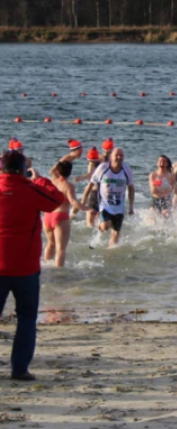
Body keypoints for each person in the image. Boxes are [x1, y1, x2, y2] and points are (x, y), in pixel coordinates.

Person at [0, 150, 66, 381]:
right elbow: (57, 199)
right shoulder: (30, 189)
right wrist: (38, 178)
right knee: (26, 319)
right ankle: (19, 370)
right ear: (22, 169)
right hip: (25, 269)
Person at [43, 161, 90, 267]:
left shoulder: (53, 181)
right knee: (60, 249)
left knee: (50, 244)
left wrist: (60, 162)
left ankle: (46, 267)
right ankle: (59, 274)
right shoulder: (68, 186)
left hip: (47, 217)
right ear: (70, 172)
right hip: (60, 217)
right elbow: (74, 202)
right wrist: (87, 209)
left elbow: (52, 171)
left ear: (58, 171)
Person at [87, 147, 134, 248]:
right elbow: (91, 184)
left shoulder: (126, 170)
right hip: (105, 205)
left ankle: (110, 252)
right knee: (105, 226)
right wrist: (83, 201)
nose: (119, 157)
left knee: (116, 233)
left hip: (119, 207)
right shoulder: (103, 168)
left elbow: (131, 188)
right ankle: (100, 224)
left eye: (121, 155)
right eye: (116, 155)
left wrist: (131, 207)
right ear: (111, 157)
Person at [79, 147, 102, 228]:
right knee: (98, 215)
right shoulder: (102, 163)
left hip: (94, 192)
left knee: (89, 220)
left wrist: (80, 178)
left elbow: (90, 175)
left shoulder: (91, 164)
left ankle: (92, 234)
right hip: (102, 192)